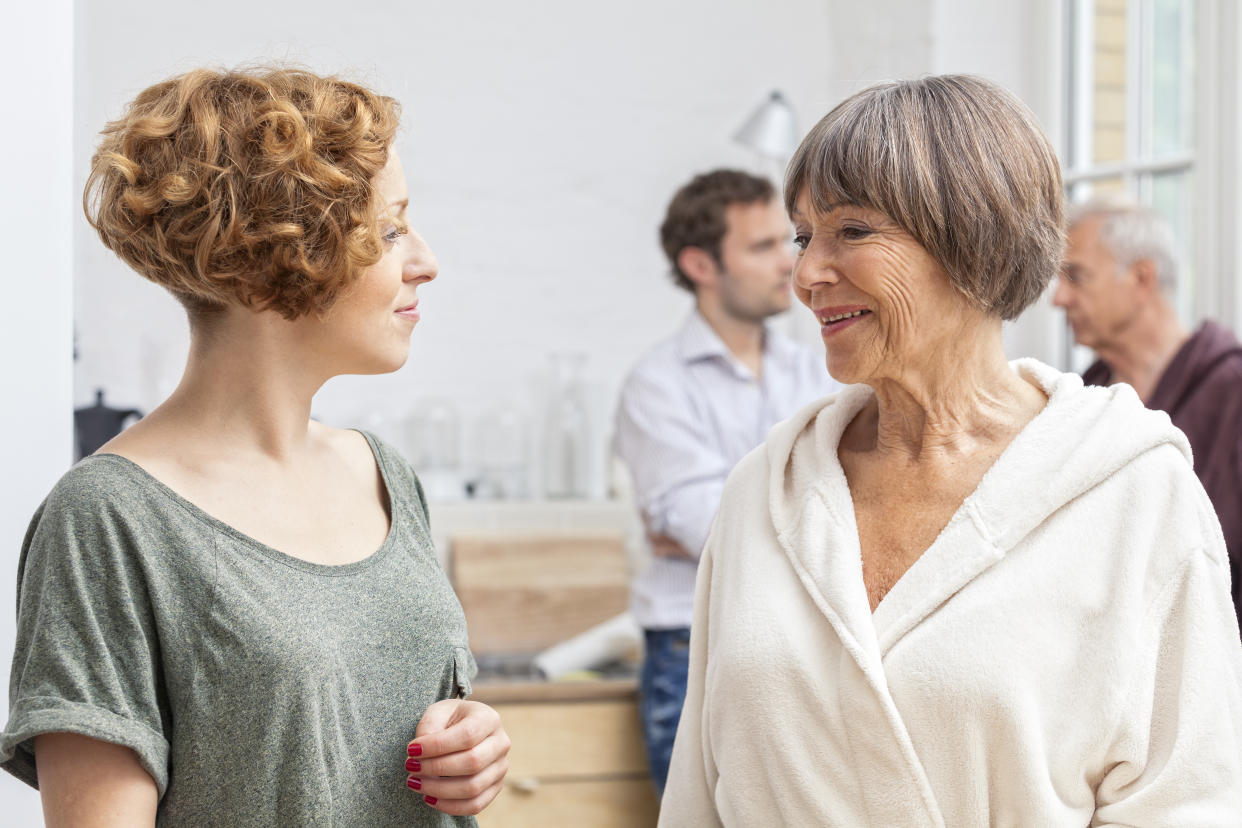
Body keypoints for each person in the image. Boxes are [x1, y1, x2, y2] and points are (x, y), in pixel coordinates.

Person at [659, 75, 1242, 826]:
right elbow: (696, 798)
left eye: (852, 231)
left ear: (973, 236)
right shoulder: (765, 492)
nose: (806, 275)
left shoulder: (1134, 491)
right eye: (805, 236)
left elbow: (1186, 803)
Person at [0, 67, 510, 826]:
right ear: (280, 255)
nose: (424, 261)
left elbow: (375, 727)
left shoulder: (383, 474)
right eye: (393, 228)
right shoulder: (108, 520)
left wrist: (472, 745)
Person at [613, 169, 837, 794]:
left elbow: (861, 498)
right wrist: (809, 509)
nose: (789, 264)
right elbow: (707, 528)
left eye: (786, 241)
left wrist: (739, 513)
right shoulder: (657, 384)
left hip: (804, 642)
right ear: (700, 264)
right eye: (762, 247)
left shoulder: (819, 365)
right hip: (692, 648)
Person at [1053, 199, 1242, 629]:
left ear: (1141, 277)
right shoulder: (1083, 400)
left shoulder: (1233, 391)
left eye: (1076, 276)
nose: (1059, 298)